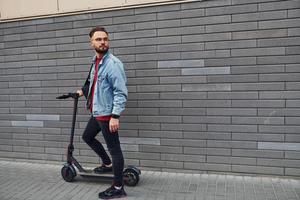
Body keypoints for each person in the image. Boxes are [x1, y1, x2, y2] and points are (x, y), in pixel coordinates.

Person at [76, 26, 128, 199]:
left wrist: (115, 116)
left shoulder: (113, 64)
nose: (103, 42)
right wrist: (81, 91)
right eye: (98, 39)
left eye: (105, 39)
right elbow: (93, 82)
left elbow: (120, 92)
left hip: (107, 115)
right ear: (91, 43)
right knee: (87, 137)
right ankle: (107, 164)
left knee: (115, 150)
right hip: (97, 112)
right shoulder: (96, 61)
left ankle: (118, 187)